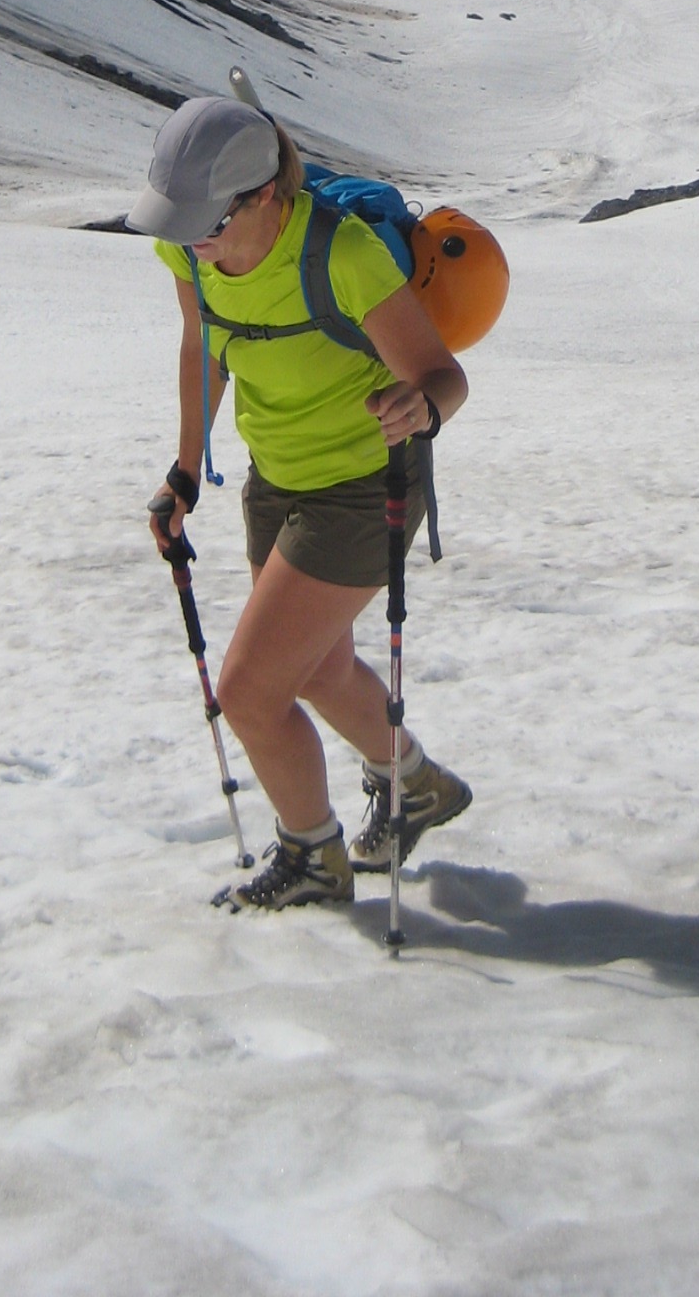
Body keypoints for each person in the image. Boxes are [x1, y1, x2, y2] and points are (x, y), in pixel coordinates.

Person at [129, 94, 472, 908]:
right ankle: (416, 784)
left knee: (250, 691)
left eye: (209, 223)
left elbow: (444, 377)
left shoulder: (343, 255)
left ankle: (314, 856)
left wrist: (420, 406)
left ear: (263, 196)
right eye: (180, 223)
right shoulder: (190, 251)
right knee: (316, 666)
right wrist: (186, 473)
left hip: (364, 485)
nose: (193, 242)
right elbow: (202, 344)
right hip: (275, 475)